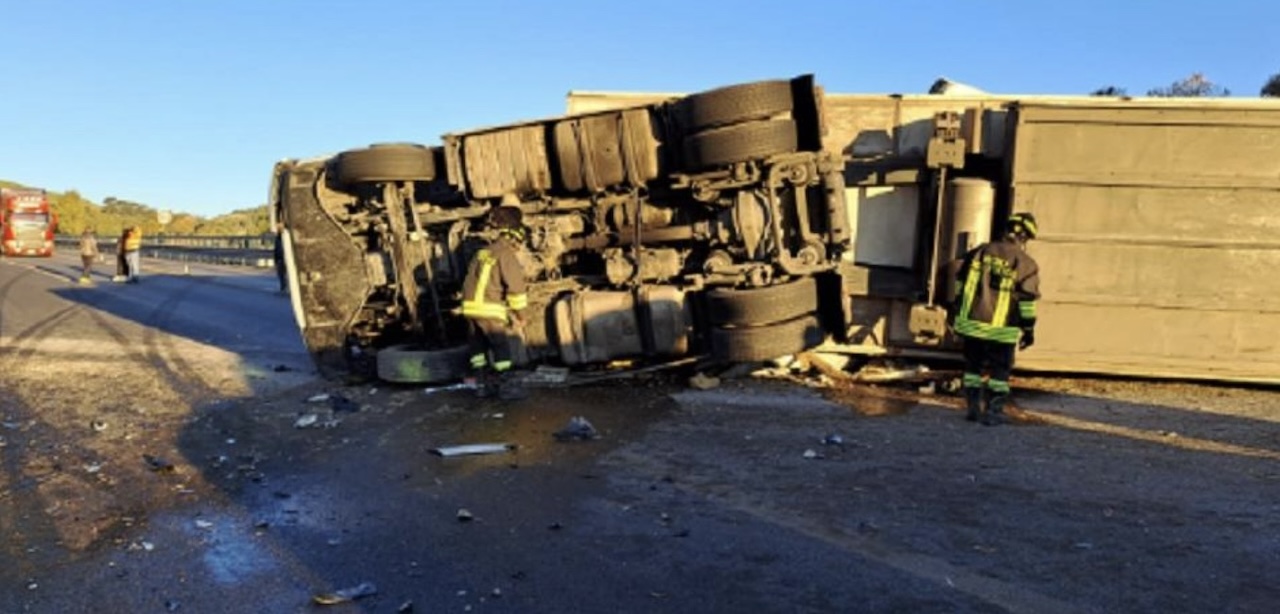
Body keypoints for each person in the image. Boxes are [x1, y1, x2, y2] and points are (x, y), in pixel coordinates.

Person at [950, 212, 1041, 426]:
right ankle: (994, 412)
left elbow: (959, 285)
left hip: (971, 325)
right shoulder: (1025, 263)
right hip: (1001, 331)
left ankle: (972, 408)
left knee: (972, 368)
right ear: (1025, 237)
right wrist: (1028, 329)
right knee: (999, 372)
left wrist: (955, 313)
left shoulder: (979, 252)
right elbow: (1027, 301)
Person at [460, 199, 529, 400]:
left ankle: (482, 387)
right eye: (518, 244)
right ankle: (507, 389)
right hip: (489, 310)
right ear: (514, 239)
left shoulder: (483, 252)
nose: (518, 248)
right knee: (501, 350)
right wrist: (520, 316)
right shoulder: (506, 254)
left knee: (478, 350)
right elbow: (516, 290)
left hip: (470, 309)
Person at [273, 224, 288, 293]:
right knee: (281, 273)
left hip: (283, 257)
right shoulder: (278, 238)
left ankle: (284, 286)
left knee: (282, 273)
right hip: (281, 257)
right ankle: (283, 286)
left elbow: (276, 249)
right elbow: (276, 249)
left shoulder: (282, 237)